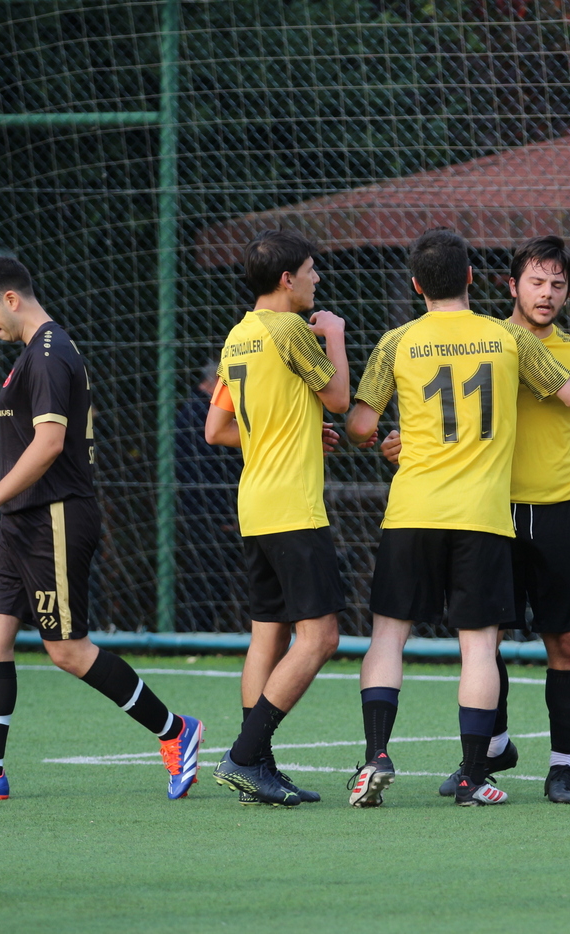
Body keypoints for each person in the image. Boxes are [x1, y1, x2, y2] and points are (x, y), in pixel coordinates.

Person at [344, 227, 570, 807]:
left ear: (415, 284)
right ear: (478, 279)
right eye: (536, 282)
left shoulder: (397, 341)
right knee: (479, 644)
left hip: (426, 508)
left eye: (556, 284)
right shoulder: (505, 339)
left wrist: (392, 438)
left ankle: (378, 755)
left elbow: (361, 425)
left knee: (391, 636)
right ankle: (476, 768)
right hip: (484, 513)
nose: (546, 292)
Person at [0, 257, 203, 801]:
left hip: (54, 515)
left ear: (10, 299)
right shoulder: (32, 354)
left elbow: (49, 444)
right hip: (22, 518)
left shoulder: (49, 352)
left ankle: (175, 730)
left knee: (68, 651)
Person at [207, 229, 351, 807]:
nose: (318, 279)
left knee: (268, 632)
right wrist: (335, 335)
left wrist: (294, 431)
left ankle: (258, 768)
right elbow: (338, 398)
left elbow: (216, 429)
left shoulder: (238, 335)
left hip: (255, 505)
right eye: (312, 271)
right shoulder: (291, 329)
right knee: (321, 637)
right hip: (293, 506)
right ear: (287, 279)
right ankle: (244, 756)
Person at [175, 363, 243, 633]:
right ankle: (194, 634)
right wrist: (224, 516)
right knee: (209, 581)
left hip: (202, 512)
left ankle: (197, 633)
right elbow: (207, 473)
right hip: (210, 515)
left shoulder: (192, 409)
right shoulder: (203, 413)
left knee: (209, 580)